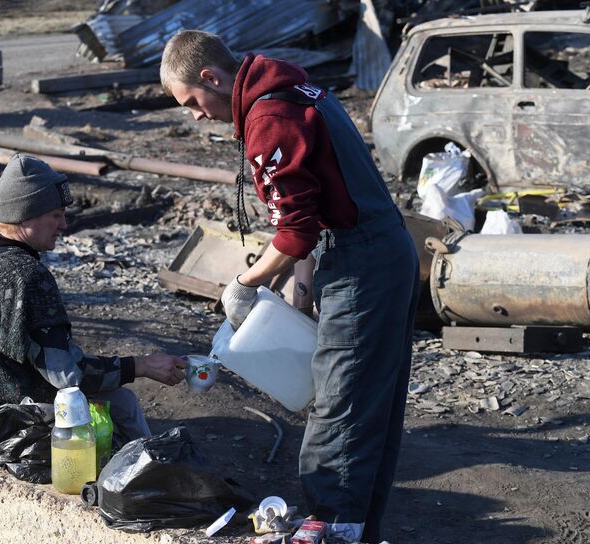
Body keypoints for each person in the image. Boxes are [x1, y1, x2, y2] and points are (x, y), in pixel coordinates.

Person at [160, 31, 420, 543]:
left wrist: (244, 282)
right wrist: (301, 290)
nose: (194, 115)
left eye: (191, 101)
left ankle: (330, 527)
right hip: (379, 250)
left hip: (361, 261)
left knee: (339, 402)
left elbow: (297, 230)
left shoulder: (269, 119)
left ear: (211, 78)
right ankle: (357, 527)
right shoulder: (296, 91)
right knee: (371, 401)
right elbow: (314, 211)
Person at [0, 153, 187, 457]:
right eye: (56, 215)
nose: (64, 224)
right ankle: (145, 479)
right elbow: (70, 377)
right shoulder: (27, 275)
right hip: (12, 436)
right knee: (122, 404)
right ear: (27, 215)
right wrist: (143, 365)